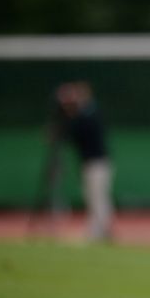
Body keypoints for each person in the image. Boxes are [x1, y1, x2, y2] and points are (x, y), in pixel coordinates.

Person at [50, 81, 114, 241]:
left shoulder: (90, 113)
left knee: (98, 196)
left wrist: (70, 113)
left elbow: (78, 130)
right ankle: (98, 229)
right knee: (93, 196)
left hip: (98, 162)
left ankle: (100, 230)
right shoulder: (85, 113)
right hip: (91, 162)